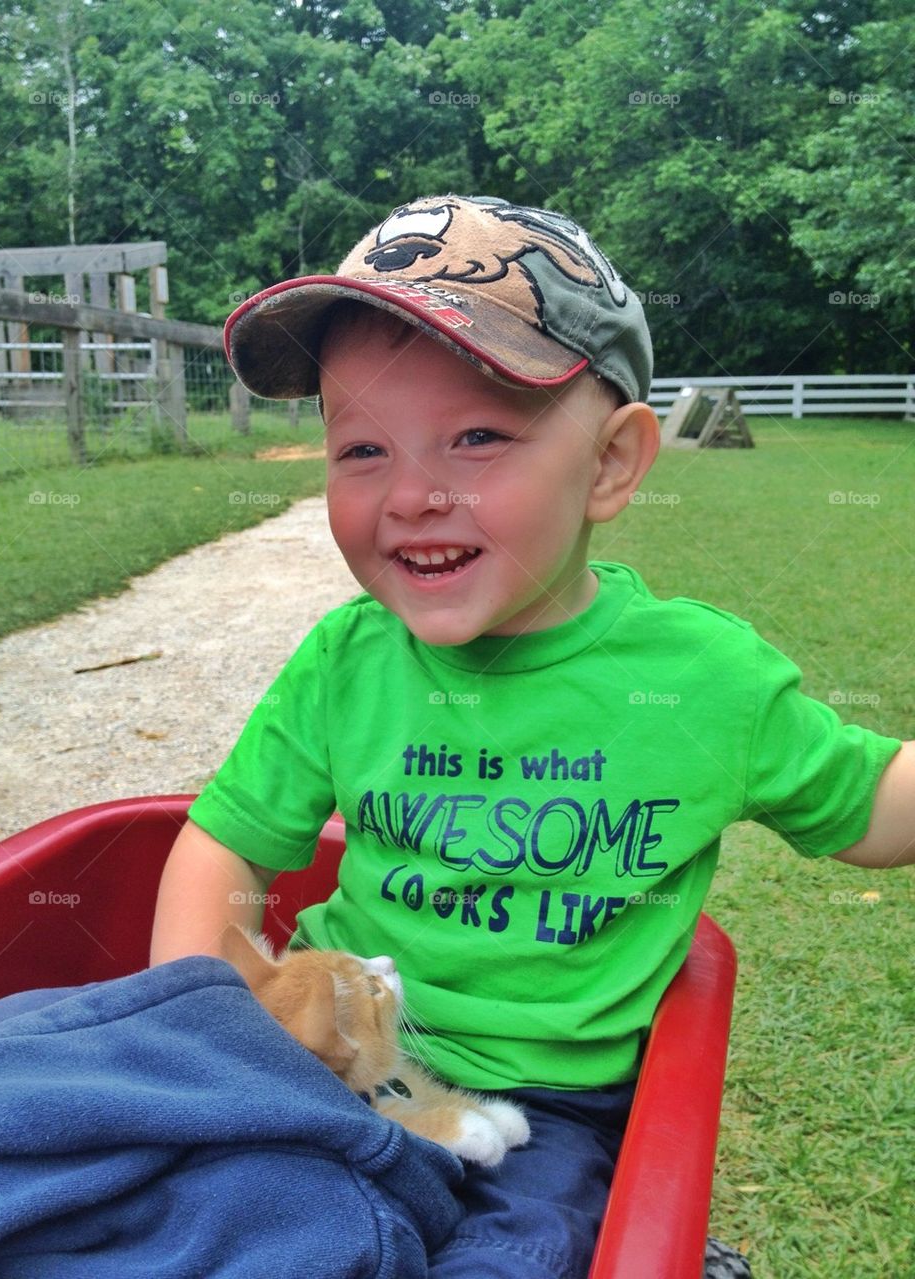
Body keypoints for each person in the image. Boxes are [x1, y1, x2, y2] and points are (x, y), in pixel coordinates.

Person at [150, 194, 914, 1279]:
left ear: (609, 464)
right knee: (172, 1198)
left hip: (542, 1108)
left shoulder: (699, 680)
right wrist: (202, 1029)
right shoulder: (347, 661)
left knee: (520, 1257)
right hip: (329, 1049)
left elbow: (874, 801)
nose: (412, 493)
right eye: (362, 447)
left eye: (476, 437)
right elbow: (225, 842)